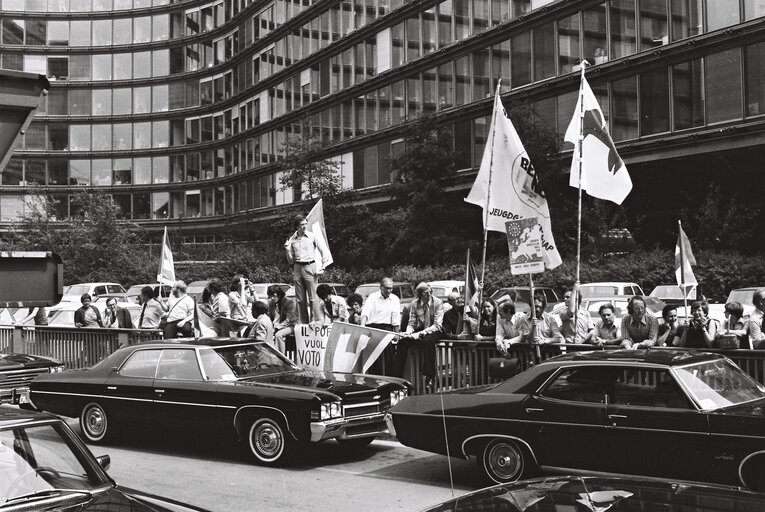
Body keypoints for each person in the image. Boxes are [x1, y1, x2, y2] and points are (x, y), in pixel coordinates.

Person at [394, 282, 444, 388]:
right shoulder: (414, 304)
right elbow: (412, 322)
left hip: (435, 329)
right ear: (420, 294)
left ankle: (429, 376)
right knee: (402, 342)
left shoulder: (438, 302)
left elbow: (437, 324)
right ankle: (397, 376)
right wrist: (408, 332)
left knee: (428, 341)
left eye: (430, 292)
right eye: (426, 293)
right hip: (421, 328)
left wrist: (419, 334)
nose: (429, 294)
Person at [284, 214, 329, 324]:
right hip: (297, 267)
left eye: (305, 224)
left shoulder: (312, 236)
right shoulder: (292, 239)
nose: (304, 226)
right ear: (297, 226)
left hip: (310, 266)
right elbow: (290, 261)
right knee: (300, 299)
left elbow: (324, 251)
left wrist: (323, 267)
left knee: (313, 297)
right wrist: (287, 250)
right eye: (302, 225)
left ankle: (314, 321)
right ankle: (303, 323)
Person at [362, 278, 402, 375]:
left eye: (391, 288)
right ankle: (373, 380)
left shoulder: (395, 299)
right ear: (381, 287)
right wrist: (362, 326)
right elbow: (365, 313)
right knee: (372, 357)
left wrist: (397, 333)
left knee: (389, 356)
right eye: (387, 288)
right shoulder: (372, 297)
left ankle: (389, 380)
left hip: (386, 328)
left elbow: (396, 318)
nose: (389, 291)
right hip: (372, 328)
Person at [269, 284, 297, 354]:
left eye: (274, 296)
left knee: (279, 335)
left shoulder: (289, 302)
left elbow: (289, 320)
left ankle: (281, 357)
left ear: (279, 294)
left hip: (290, 326)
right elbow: (270, 317)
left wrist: (277, 328)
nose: (272, 298)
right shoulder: (271, 303)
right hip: (275, 325)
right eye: (271, 296)